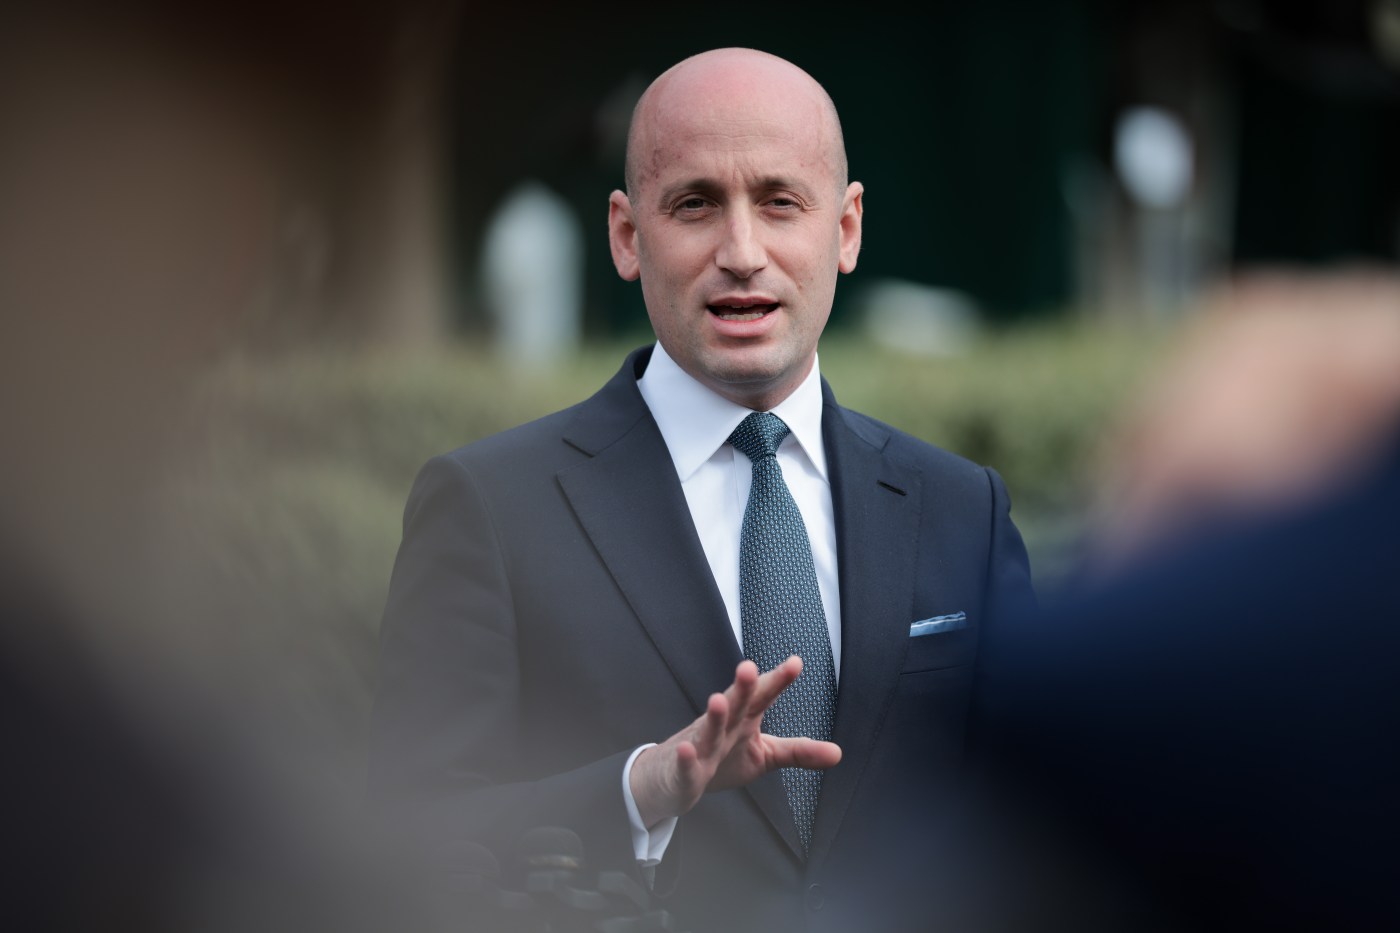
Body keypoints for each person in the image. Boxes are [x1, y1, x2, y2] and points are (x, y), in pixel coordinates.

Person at [370, 47, 1034, 932]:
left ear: (846, 228)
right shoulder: (490, 508)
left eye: (779, 201)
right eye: (694, 204)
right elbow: (399, 846)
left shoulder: (963, 510)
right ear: (626, 235)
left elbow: (1040, 829)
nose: (742, 252)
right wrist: (641, 789)